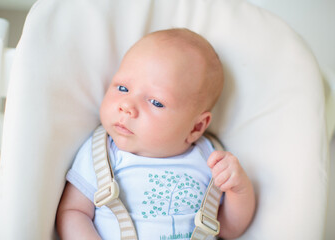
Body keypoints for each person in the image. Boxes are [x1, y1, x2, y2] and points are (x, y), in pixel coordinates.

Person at [56, 28, 255, 239]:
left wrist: (238, 189)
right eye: (122, 88)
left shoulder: (210, 159)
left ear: (196, 127)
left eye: (156, 102)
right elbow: (73, 212)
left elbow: (229, 229)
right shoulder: (101, 153)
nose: (127, 106)